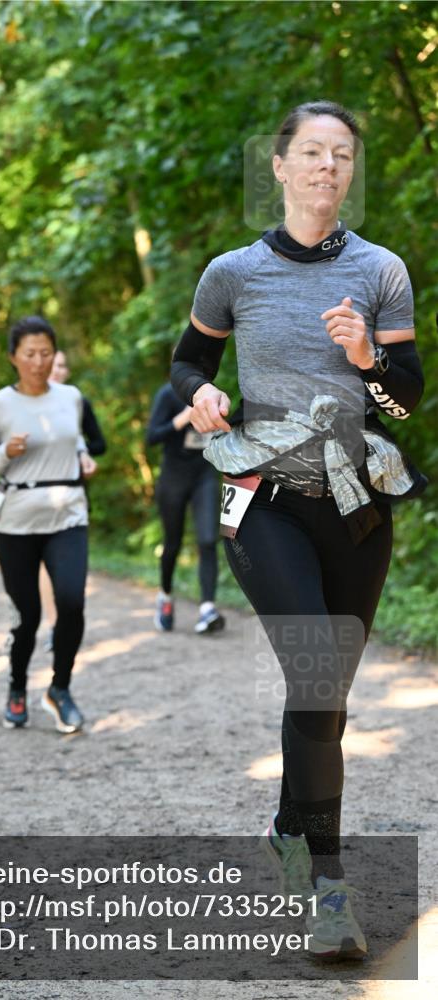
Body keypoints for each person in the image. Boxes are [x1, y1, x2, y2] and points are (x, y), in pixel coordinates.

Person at [170, 101, 425, 959]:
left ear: (351, 170)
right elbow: (188, 362)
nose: (326, 166)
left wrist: (367, 361)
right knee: (316, 678)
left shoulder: (381, 270)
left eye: (341, 154)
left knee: (327, 704)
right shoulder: (232, 274)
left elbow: (404, 400)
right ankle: (326, 891)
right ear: (277, 167)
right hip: (264, 499)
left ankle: (288, 829)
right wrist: (199, 398)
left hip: (356, 508)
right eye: (310, 153)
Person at [0, 316, 96, 733]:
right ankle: (17, 687)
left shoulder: (71, 396)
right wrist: (4, 452)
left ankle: (59, 689)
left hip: (68, 513)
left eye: (46, 353)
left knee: (72, 602)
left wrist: (83, 457)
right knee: (27, 616)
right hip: (17, 520)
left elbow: (74, 438)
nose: (39, 362)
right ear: (13, 358)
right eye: (30, 354)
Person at [39, 349, 107, 651]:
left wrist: (82, 455)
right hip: (38, 493)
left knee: (68, 561)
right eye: (52, 365)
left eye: (62, 366)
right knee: (44, 561)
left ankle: (66, 618)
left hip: (73, 490)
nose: (57, 370)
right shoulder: (28, 404)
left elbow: (99, 443)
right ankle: (54, 625)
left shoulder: (79, 403)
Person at [146, 381, 225, 634]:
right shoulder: (167, 394)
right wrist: (181, 419)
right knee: (173, 543)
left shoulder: (213, 392)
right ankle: (166, 597)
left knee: (208, 540)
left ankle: (207, 609)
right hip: (174, 477)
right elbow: (152, 437)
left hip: (204, 474)